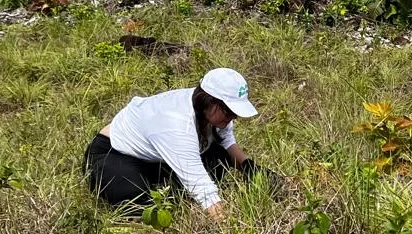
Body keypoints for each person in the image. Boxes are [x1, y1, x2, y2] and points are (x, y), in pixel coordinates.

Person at [84, 68, 272, 216]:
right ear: (210, 101)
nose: (233, 118)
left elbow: (226, 141)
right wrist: (228, 230)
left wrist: (253, 169)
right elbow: (200, 186)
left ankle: (163, 185)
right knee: (138, 203)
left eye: (236, 113)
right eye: (229, 112)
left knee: (219, 159)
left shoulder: (208, 110)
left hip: (155, 158)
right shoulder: (175, 123)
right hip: (113, 153)